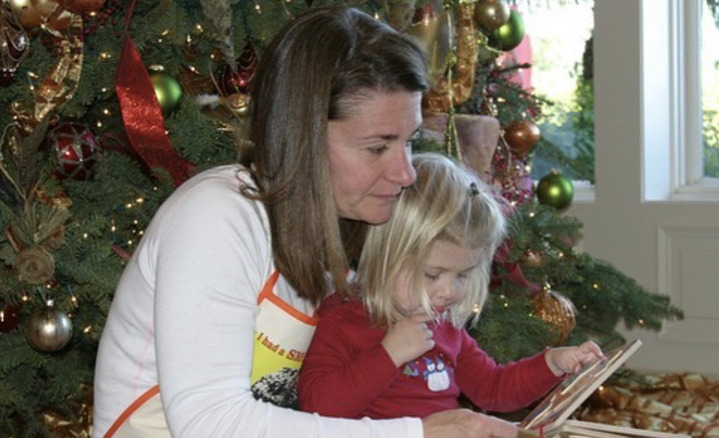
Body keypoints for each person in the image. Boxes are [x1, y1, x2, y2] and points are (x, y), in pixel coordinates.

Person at [93, 6, 522, 438]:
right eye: (377, 148)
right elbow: (211, 424)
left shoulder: (341, 233)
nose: (406, 173)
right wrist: (417, 433)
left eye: (409, 143)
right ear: (304, 135)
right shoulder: (217, 216)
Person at [297, 153, 604, 419]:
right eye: (433, 275)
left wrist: (551, 363)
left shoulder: (443, 326)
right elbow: (318, 407)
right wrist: (389, 354)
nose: (449, 291)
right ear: (388, 255)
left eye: (463, 275)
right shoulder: (344, 318)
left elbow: (493, 389)